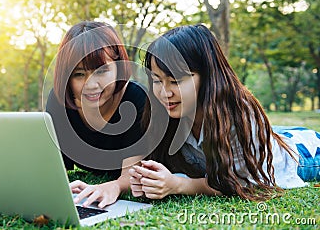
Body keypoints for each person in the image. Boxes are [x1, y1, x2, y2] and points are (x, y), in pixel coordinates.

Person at [129, 24, 320, 201]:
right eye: (157, 80)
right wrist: (147, 179)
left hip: (304, 155)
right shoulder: (166, 113)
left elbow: (240, 182)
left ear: (207, 76)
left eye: (176, 80)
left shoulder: (237, 114)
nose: (165, 93)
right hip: (273, 136)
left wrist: (179, 185)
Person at [46, 21, 147, 208]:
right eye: (79, 74)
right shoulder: (59, 102)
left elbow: (132, 173)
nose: (91, 85)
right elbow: (51, 165)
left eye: (102, 71)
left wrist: (113, 186)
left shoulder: (135, 99)